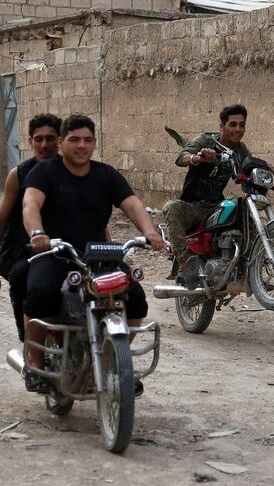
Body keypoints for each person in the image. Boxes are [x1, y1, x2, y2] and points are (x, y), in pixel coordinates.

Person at [21, 114, 164, 393]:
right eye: (74, 140)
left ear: (95, 143)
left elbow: (132, 203)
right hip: (57, 253)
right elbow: (30, 205)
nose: (81, 146)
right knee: (40, 292)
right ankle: (34, 362)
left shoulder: (105, 174)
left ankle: (117, 361)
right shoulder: (45, 173)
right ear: (62, 142)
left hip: (99, 256)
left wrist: (150, 232)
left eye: (87, 140)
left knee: (134, 297)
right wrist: (38, 234)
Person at [0, 113, 62, 342]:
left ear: (60, 140)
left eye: (50, 138)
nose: (44, 145)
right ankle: (30, 345)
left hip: (62, 246)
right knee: (20, 277)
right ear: (30, 142)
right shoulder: (19, 175)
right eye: (38, 139)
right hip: (24, 250)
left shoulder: (70, 171)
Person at [162, 104, 252, 279]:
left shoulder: (240, 150)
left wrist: (262, 169)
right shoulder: (207, 140)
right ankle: (186, 264)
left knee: (246, 209)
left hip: (217, 207)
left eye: (242, 125)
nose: (238, 129)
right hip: (193, 207)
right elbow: (181, 158)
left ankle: (249, 266)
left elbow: (248, 170)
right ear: (222, 127)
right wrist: (198, 157)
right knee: (172, 207)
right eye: (233, 125)